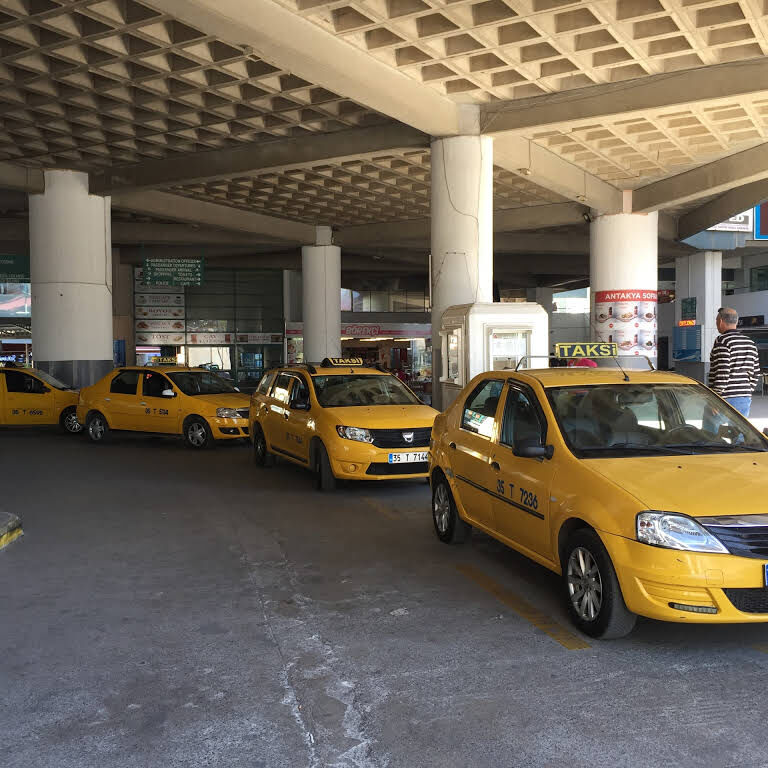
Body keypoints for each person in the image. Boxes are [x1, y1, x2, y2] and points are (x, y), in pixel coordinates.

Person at [708, 307, 760, 417]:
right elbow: (755, 373)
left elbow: (722, 373)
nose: (716, 324)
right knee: (739, 428)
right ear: (736, 322)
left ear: (720, 321)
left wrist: (715, 399)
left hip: (724, 399)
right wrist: (746, 392)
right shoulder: (750, 343)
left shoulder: (722, 341)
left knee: (710, 428)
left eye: (716, 320)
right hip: (744, 398)